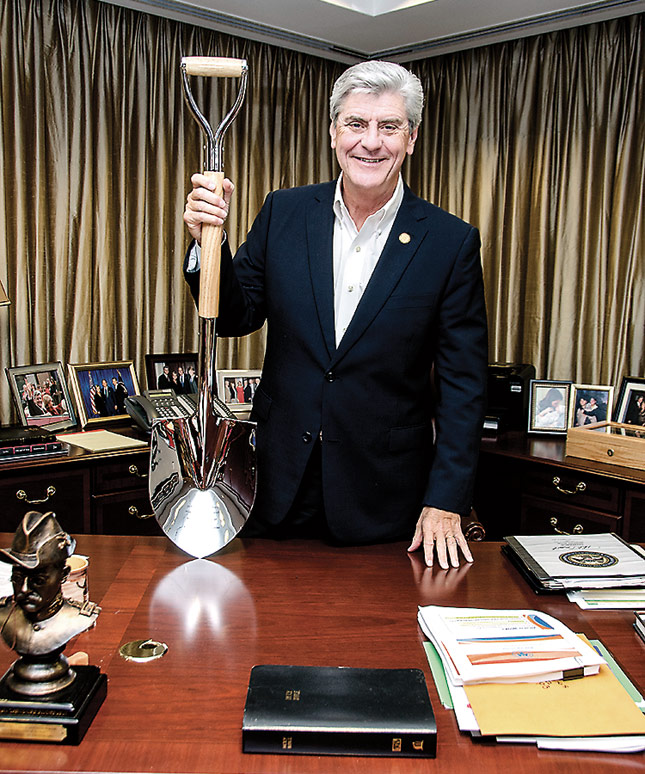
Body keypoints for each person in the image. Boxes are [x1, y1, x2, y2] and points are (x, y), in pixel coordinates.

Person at [183, 61, 488, 570]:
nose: (371, 142)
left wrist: (447, 499)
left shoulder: (450, 241)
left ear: (410, 139)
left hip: (384, 501)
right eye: (355, 124)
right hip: (276, 489)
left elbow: (464, 385)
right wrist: (206, 244)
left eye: (389, 127)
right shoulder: (284, 211)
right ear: (332, 133)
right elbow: (236, 316)